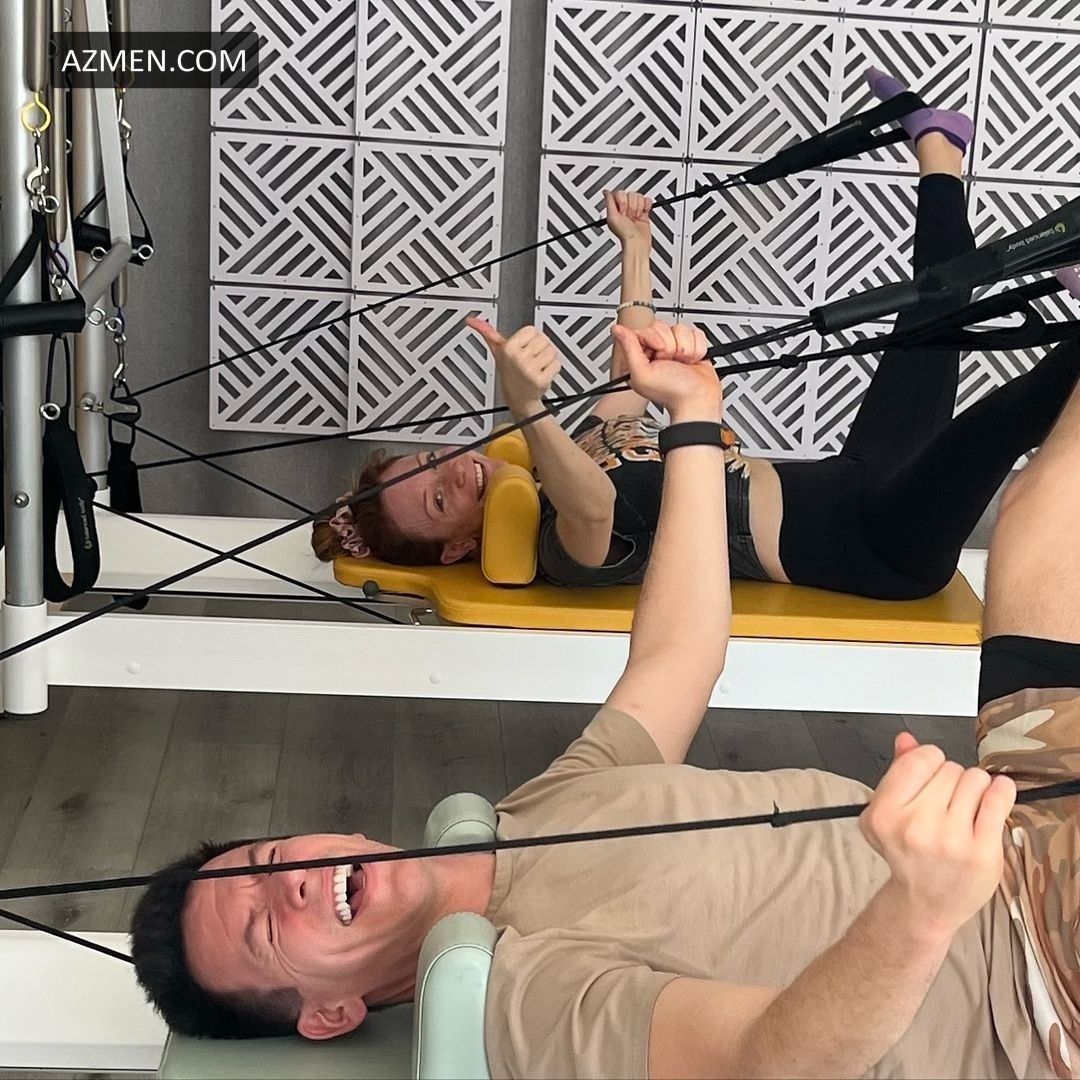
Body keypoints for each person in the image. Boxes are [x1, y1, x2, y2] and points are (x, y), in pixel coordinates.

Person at [133, 311, 1080, 1077]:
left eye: (269, 858)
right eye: (266, 924)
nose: (293, 881)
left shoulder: (536, 811)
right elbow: (766, 1063)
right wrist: (921, 909)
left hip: (1016, 836)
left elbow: (676, 656)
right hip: (1038, 984)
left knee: (1041, 511)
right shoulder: (519, 998)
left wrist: (696, 419)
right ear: (329, 1013)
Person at [313, 69, 1080, 601]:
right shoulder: (558, 546)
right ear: (454, 547)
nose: (458, 473)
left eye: (432, 462)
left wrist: (635, 248)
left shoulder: (569, 456)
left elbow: (626, 380)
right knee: (1002, 418)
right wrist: (528, 407)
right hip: (880, 544)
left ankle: (938, 147)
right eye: (439, 499)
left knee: (931, 315)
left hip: (859, 472)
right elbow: (595, 508)